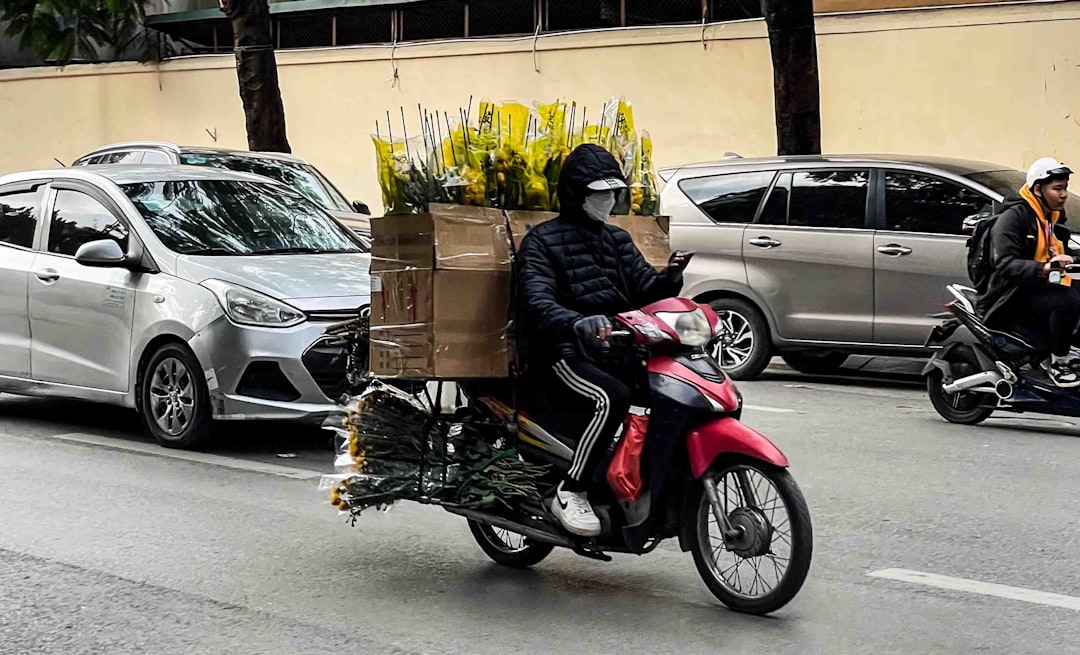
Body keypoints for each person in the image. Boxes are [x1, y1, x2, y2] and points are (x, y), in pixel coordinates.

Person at [516, 143, 693, 537]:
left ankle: (642, 479)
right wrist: (576, 322)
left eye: (613, 192)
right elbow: (536, 301)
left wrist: (670, 278)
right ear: (578, 194)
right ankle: (572, 488)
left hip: (619, 346)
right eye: (600, 192)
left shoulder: (617, 239)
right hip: (563, 352)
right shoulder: (541, 242)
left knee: (674, 391)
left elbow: (645, 288)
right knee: (611, 397)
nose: (609, 200)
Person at [980, 157, 1078, 386]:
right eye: (1057, 189)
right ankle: (1058, 363)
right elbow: (1004, 263)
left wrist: (1068, 260)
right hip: (1009, 295)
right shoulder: (1013, 218)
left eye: (1065, 188)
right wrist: (1044, 268)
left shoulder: (1050, 218)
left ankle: (1069, 349)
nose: (1063, 194)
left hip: (1036, 286)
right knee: (1066, 300)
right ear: (1038, 189)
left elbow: (1060, 252)